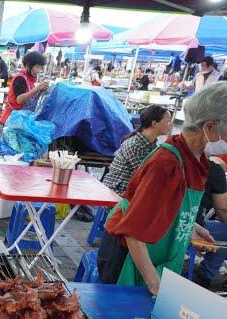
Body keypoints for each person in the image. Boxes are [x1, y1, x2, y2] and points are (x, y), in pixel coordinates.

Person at [97, 82, 227, 295]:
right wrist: (155, 284)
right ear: (210, 127)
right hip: (130, 256)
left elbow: (166, 204)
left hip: (157, 252)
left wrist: (189, 225)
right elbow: (133, 231)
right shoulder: (167, 163)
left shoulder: (196, 158)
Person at [103, 106, 172, 196]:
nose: (170, 124)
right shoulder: (135, 145)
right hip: (117, 195)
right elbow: (149, 175)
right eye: (167, 121)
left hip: (131, 193)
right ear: (154, 123)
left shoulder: (152, 144)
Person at [192, 151, 227, 290]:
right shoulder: (213, 170)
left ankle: (205, 274)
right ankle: (206, 275)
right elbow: (223, 211)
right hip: (189, 225)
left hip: (184, 222)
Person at [0, 51, 48, 124]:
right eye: (37, 67)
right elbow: (19, 99)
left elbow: (31, 98)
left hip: (21, 120)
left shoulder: (30, 79)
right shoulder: (20, 78)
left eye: (40, 68)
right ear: (28, 66)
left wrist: (40, 91)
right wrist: (37, 88)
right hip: (12, 120)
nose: (39, 71)